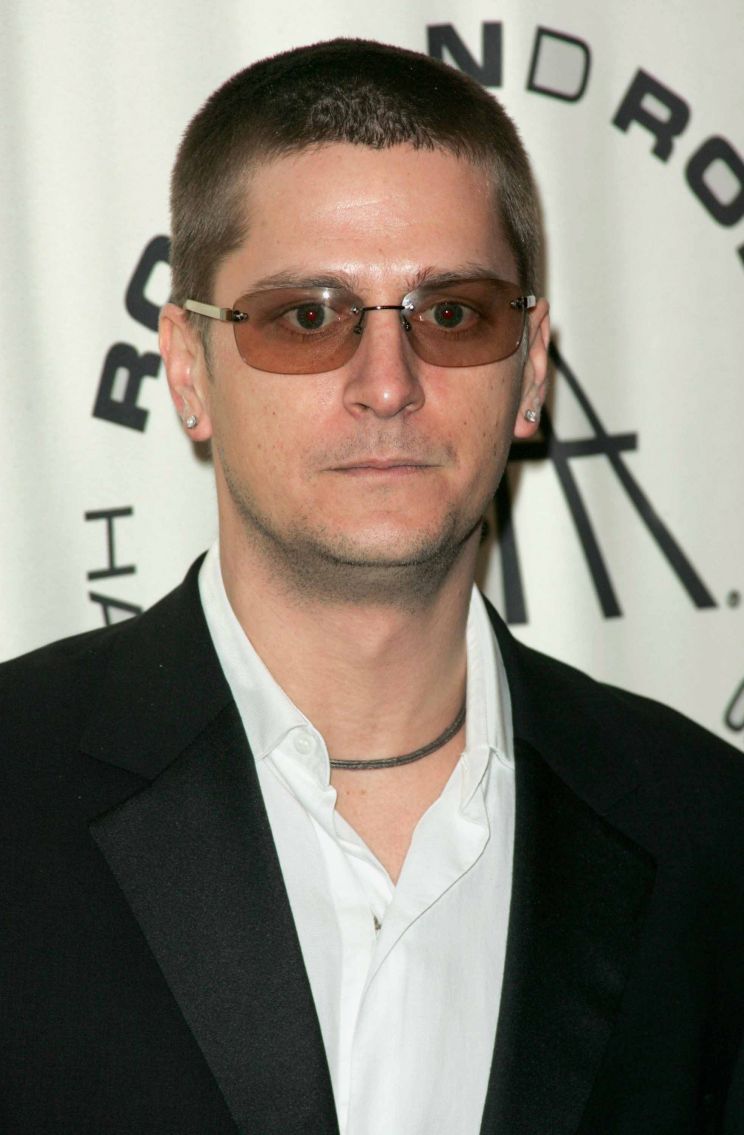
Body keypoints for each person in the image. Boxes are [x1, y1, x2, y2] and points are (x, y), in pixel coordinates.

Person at [2, 38, 743, 1135]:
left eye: (453, 314)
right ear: (188, 366)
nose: (388, 384)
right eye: (308, 316)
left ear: (532, 366)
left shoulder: (710, 838)